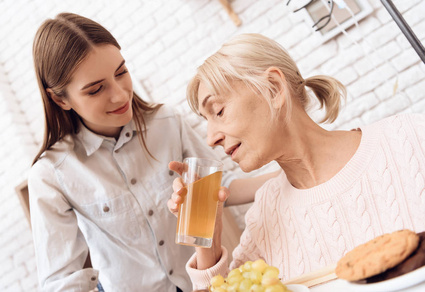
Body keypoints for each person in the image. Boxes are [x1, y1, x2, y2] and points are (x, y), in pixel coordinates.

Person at [28, 14, 276, 292]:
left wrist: (289, 171)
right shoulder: (52, 174)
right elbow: (61, 281)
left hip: (200, 282)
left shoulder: (167, 122)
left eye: (121, 72)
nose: (121, 95)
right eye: (96, 89)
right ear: (60, 98)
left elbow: (220, 186)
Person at [167, 33, 425, 290]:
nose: (211, 138)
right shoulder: (265, 211)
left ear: (274, 88)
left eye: (219, 111)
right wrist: (207, 245)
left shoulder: (411, 138)